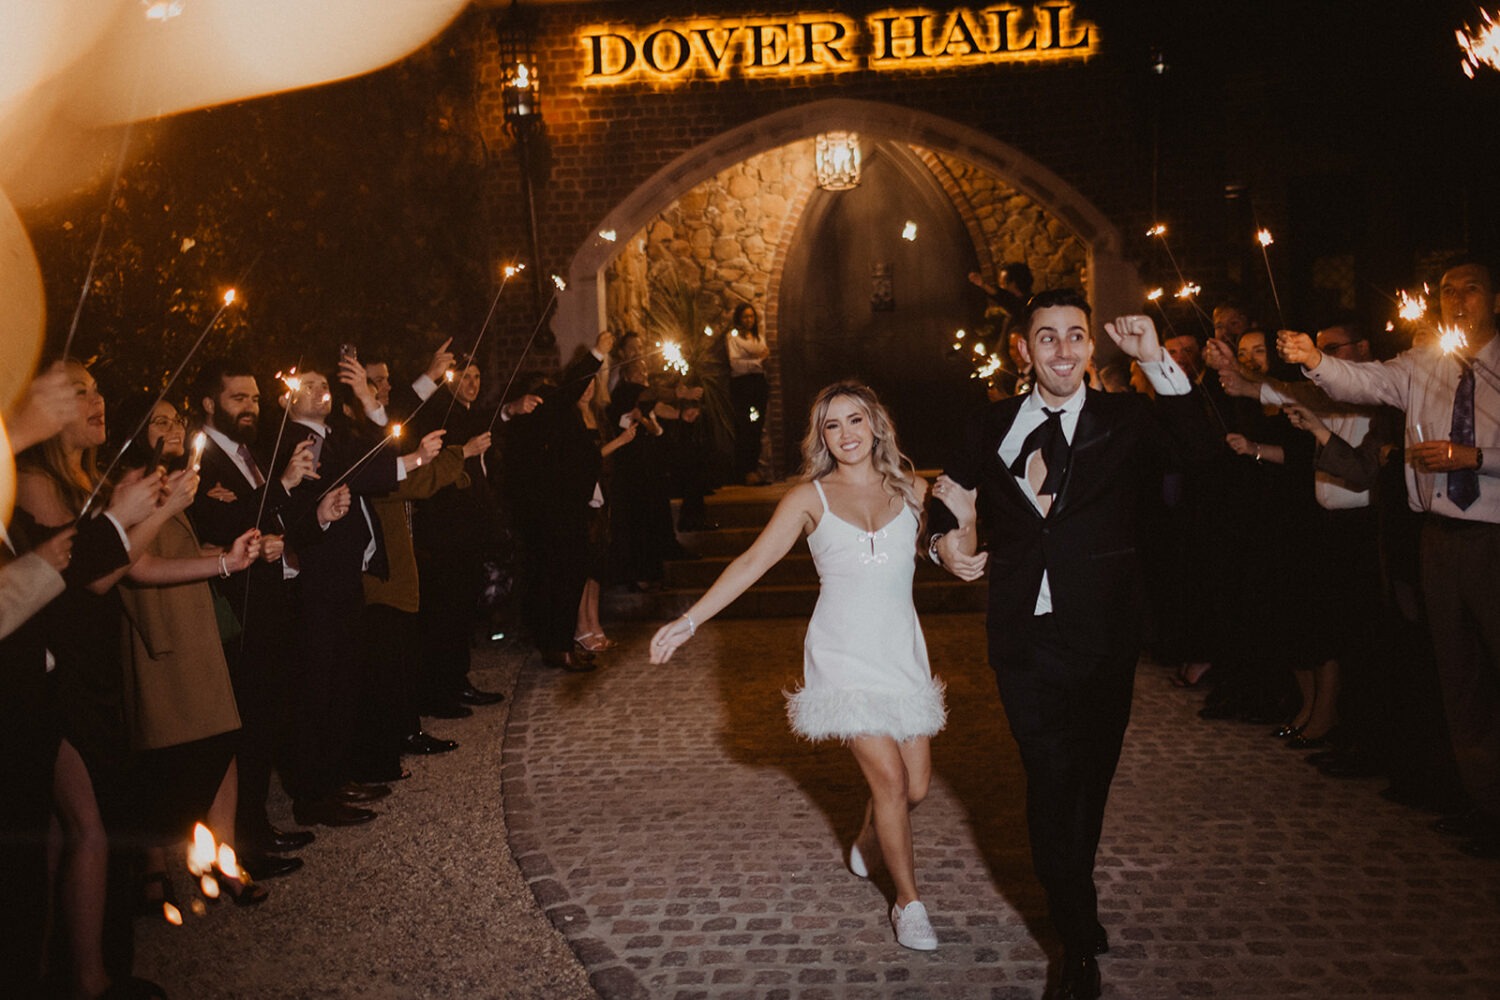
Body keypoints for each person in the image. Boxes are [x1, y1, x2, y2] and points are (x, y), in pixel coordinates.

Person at [927, 290, 1210, 1000]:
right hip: (1024, 638)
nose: (1061, 350)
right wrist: (942, 545)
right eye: (1046, 337)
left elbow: (1203, 456)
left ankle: (1073, 898)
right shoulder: (989, 424)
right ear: (1022, 349)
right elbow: (947, 495)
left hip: (1105, 634)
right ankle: (1077, 941)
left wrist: (1155, 361)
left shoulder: (1125, 419)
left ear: (1090, 347)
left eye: (1075, 336)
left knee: (1090, 783)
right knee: (1052, 783)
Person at [651, 381, 946, 952]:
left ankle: (869, 835)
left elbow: (937, 548)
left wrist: (961, 548)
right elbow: (753, 561)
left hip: (901, 651)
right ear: (822, 436)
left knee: (915, 788)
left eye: (855, 421)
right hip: (841, 655)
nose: (846, 435)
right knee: (888, 780)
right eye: (832, 426)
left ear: (876, 423)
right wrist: (689, 621)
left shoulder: (914, 489)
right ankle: (909, 903)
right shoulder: (809, 498)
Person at [1278, 257, 1500, 859]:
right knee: (1460, 680)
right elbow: (1362, 382)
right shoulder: (1423, 364)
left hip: (1493, 534)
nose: (1456, 299)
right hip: (1437, 536)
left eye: (1470, 289)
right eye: (1448, 290)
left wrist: (1474, 458)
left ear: (1495, 301)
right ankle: (1484, 807)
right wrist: (1314, 359)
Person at [727, 304, 770, 484]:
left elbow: (766, 354)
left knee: (756, 426)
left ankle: (753, 470)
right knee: (744, 427)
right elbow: (736, 364)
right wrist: (757, 361)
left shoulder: (758, 337)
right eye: (745, 317)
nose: (748, 320)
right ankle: (743, 472)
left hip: (758, 384)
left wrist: (752, 361)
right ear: (739, 318)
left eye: (751, 316)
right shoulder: (733, 337)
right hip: (742, 385)